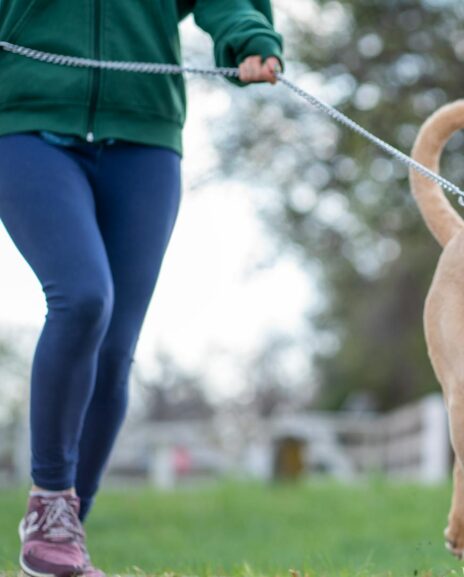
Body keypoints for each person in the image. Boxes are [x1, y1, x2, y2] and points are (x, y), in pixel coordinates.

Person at [0, 2, 283, 576]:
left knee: (114, 350)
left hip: (145, 135)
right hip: (25, 118)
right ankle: (50, 504)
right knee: (82, 297)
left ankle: (66, 538)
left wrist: (248, 36)